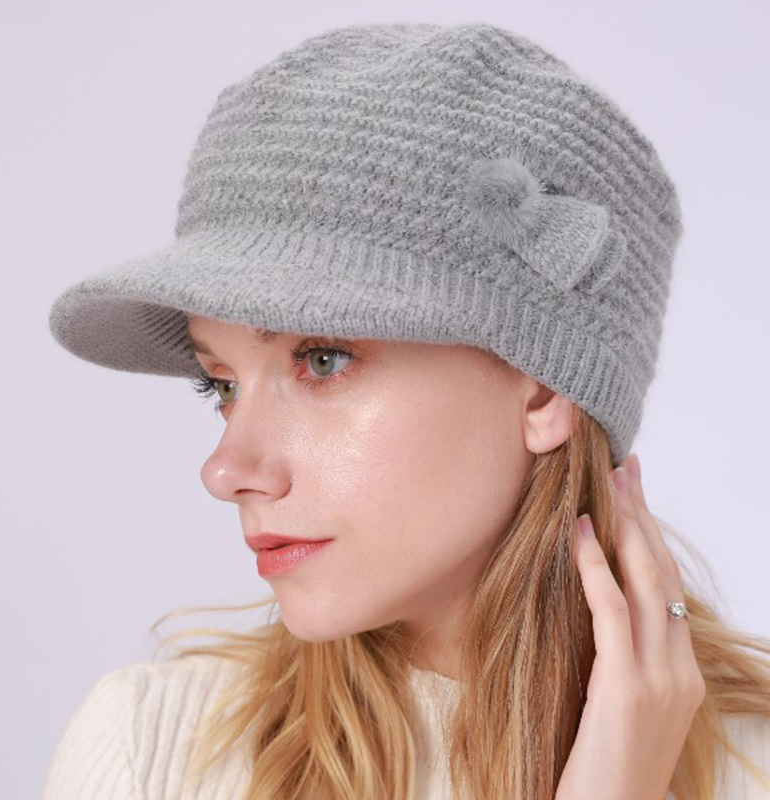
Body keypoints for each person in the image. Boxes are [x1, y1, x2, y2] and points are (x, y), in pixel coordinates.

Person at [40, 21, 770, 800]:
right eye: (220, 384)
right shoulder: (153, 752)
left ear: (543, 387)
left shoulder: (748, 764)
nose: (225, 471)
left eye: (323, 360)